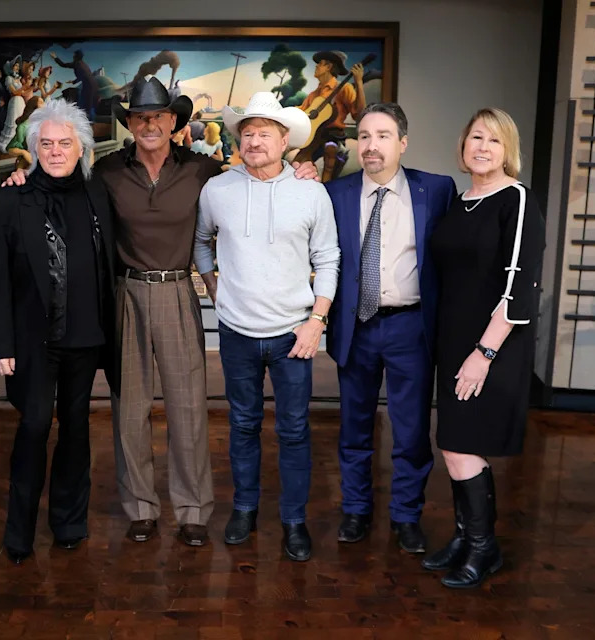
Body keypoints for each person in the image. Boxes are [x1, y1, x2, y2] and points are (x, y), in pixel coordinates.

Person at [4, 76, 318, 548]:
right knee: (129, 409)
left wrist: (300, 168)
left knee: (188, 408)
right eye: (139, 117)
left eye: (158, 116)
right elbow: (57, 185)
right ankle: (141, 509)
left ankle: (193, 510)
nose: (149, 124)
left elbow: (256, 175)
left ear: (174, 122)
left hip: (176, 290)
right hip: (125, 293)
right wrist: (22, 178)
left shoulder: (202, 170)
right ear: (130, 123)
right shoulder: (106, 171)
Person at [194, 93, 339, 561]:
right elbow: (201, 242)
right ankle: (244, 509)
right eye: (248, 133)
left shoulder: (311, 191)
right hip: (236, 332)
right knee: (242, 425)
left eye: (264, 134)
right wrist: (216, 290)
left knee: (294, 431)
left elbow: (328, 259)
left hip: (294, 334)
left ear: (284, 141)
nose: (254, 141)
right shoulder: (217, 189)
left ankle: (294, 520)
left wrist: (316, 321)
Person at [0, 99, 118, 565]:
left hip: (87, 336)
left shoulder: (99, 193)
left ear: (82, 148)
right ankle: (19, 532)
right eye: (46, 143)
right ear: (33, 148)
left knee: (76, 429)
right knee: (34, 426)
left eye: (65, 143)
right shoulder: (5, 202)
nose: (56, 151)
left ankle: (69, 523)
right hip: (31, 341)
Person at [325, 103, 457, 554]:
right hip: (356, 327)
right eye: (364, 136)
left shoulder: (436, 190)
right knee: (354, 427)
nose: (371, 145)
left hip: (410, 328)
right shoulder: (335, 193)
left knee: (412, 430)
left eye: (383, 136)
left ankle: (405, 516)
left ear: (403, 143)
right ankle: (356, 510)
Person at [424, 108, 545, 588]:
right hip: (455, 340)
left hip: (494, 344)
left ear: (507, 150)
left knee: (460, 446)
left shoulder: (516, 199)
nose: (483, 148)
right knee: (457, 445)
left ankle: (483, 547)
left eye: (494, 140)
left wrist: (484, 353)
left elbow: (519, 290)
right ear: (463, 145)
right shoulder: (461, 201)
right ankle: (466, 539)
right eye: (476, 137)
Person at [299, 51, 366, 182]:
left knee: (330, 153)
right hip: (315, 137)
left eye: (320, 64)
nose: (316, 66)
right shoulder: (314, 94)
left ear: (329, 67)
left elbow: (359, 114)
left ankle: (327, 187)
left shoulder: (344, 88)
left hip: (333, 136)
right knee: (298, 161)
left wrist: (358, 83)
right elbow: (301, 111)